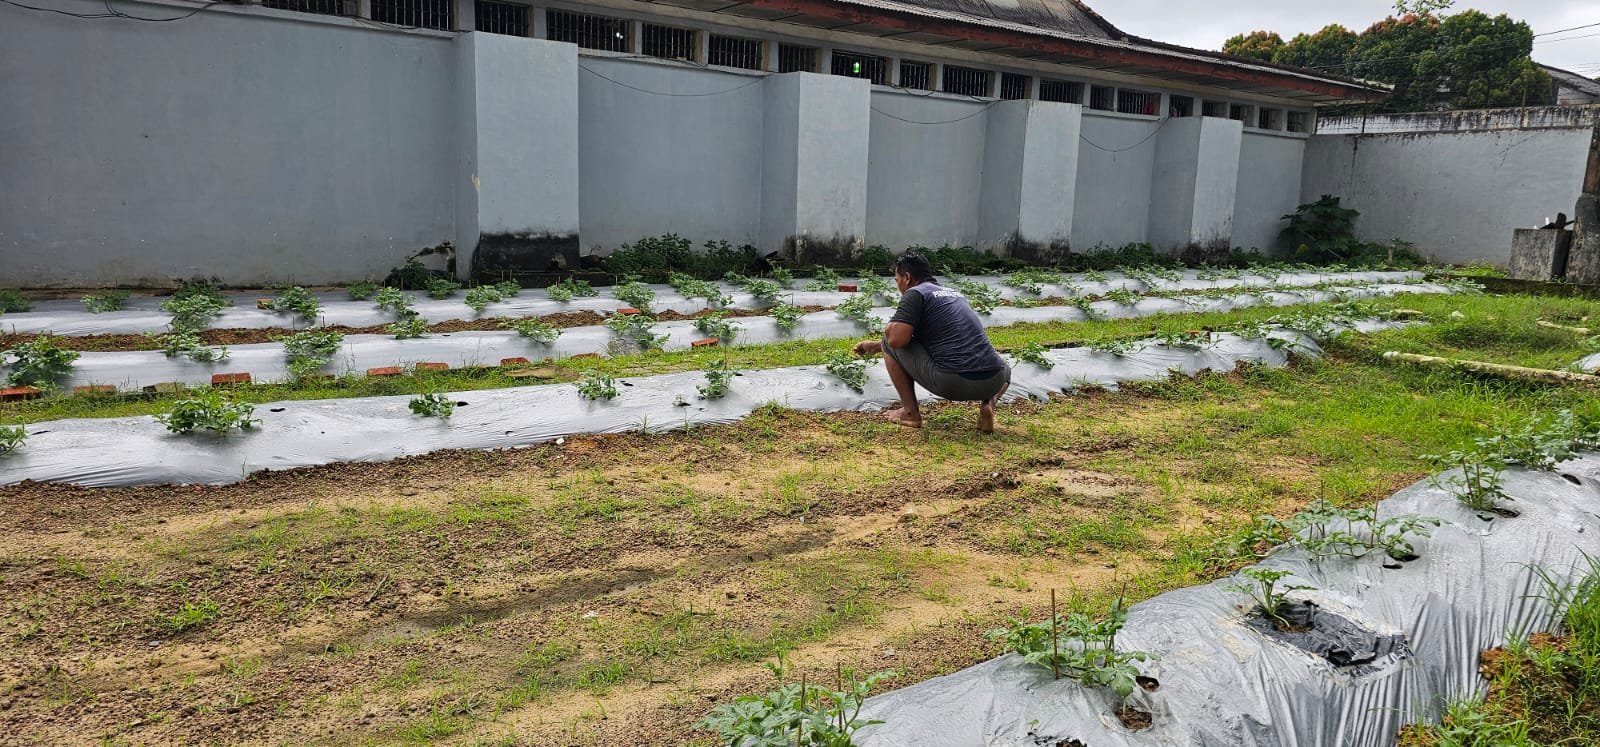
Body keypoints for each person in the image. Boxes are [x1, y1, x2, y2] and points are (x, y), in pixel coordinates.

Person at [852, 253, 1011, 432]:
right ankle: (989, 404)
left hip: (952, 382)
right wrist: (873, 347)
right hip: (993, 380)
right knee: (1002, 366)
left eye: (896, 279)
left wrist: (887, 330)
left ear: (907, 278)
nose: (897, 285)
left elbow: (896, 340)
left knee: (889, 341)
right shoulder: (955, 294)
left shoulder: (915, 293)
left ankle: (910, 413)